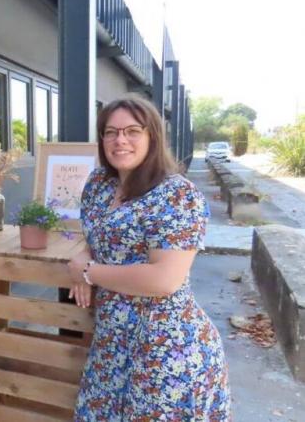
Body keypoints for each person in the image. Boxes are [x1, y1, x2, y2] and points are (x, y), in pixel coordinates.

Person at [67, 95, 230, 420]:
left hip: (165, 347)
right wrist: (85, 257)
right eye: (110, 132)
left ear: (152, 136)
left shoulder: (177, 195)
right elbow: (96, 232)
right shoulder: (100, 183)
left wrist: (88, 271)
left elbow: (164, 280)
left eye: (132, 131)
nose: (120, 140)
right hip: (112, 343)